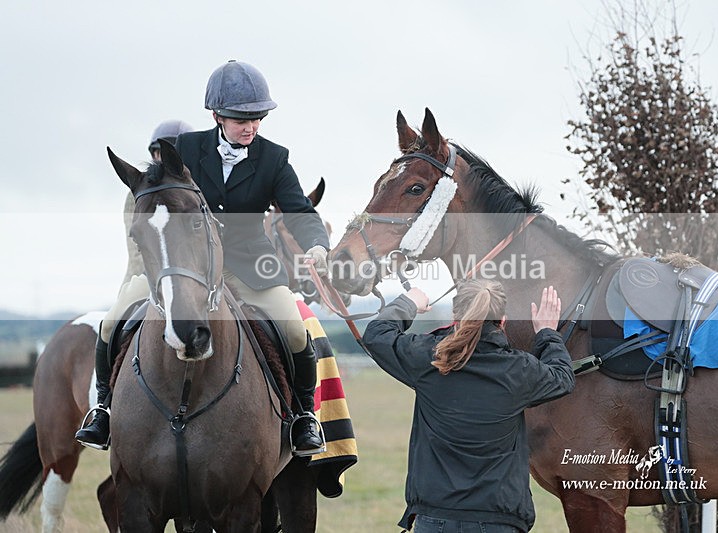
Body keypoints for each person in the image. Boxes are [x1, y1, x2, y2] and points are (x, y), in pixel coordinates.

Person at [76, 60, 330, 456]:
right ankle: (104, 409)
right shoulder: (185, 151)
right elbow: (157, 195)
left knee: (296, 330)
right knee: (115, 319)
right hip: (186, 266)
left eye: (257, 118)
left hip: (248, 267)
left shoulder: (274, 159)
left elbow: (300, 211)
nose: (251, 127)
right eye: (240, 118)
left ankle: (302, 417)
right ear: (216, 116)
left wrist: (316, 244)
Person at [362, 280, 576, 533]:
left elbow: (376, 334)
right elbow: (563, 377)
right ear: (503, 321)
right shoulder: (521, 370)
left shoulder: (428, 358)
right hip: (500, 520)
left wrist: (409, 302)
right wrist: (547, 333)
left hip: (435, 518)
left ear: (455, 316)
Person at [120, 120, 194, 285]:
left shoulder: (197, 191)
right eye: (163, 152)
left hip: (196, 274)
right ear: (155, 155)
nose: (169, 158)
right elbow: (137, 250)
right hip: (146, 276)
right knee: (118, 311)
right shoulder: (136, 196)